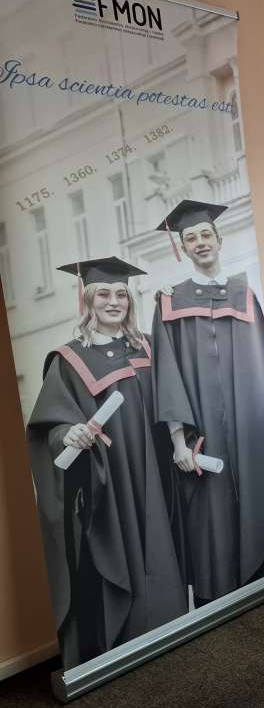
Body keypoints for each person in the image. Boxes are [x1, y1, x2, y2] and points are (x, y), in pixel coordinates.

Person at [27, 258, 186, 667]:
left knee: (163, 543)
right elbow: (51, 426)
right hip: (111, 480)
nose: (113, 301)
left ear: (130, 301)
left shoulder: (148, 346)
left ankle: (172, 630)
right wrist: (69, 434)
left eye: (121, 294)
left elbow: (174, 400)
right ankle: (129, 643)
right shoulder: (70, 359)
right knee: (123, 550)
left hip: (157, 474)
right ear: (87, 301)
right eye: (103, 294)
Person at [151, 200, 264, 607]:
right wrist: (178, 441)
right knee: (211, 511)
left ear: (219, 240)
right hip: (203, 431)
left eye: (205, 235)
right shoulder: (170, 302)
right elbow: (167, 375)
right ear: (183, 248)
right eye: (190, 238)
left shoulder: (245, 296)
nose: (200, 242)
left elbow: (263, 366)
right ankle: (221, 599)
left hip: (250, 430)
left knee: (256, 489)